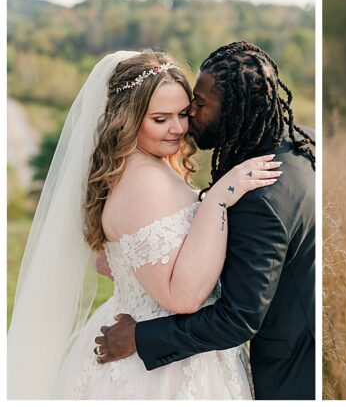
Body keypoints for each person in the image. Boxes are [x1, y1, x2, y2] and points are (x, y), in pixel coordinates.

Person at [8, 50, 279, 399]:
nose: (178, 128)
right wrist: (218, 199)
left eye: (183, 114)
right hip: (159, 369)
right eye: (160, 119)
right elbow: (182, 297)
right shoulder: (142, 182)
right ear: (128, 119)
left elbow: (108, 262)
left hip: (163, 342)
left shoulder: (139, 168)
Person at [93, 41, 317, 400]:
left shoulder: (260, 194)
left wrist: (139, 337)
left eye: (196, 107)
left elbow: (237, 318)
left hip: (292, 367)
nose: (188, 120)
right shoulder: (296, 143)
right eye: (164, 117)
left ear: (232, 111)